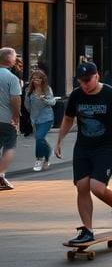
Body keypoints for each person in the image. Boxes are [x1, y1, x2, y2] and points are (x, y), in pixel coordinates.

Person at [54, 61, 112, 244]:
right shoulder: (76, 95)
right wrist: (59, 141)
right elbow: (68, 119)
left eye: (88, 80)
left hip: (106, 147)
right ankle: (87, 230)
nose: (84, 85)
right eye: (81, 81)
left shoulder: (111, 95)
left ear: (97, 76)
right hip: (83, 147)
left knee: (97, 187)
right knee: (81, 186)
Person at [24, 69, 57, 172]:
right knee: (40, 139)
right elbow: (27, 105)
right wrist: (32, 114)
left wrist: (43, 99)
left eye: (38, 78)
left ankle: (39, 159)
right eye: (33, 79)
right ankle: (47, 156)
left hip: (47, 118)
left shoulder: (47, 89)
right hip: (35, 118)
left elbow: (52, 102)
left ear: (43, 79)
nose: (36, 81)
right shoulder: (29, 90)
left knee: (39, 138)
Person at [0, 47, 22, 190]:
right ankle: (0, 174)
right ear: (11, 60)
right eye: (15, 58)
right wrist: (16, 118)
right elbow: (15, 100)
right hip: (5, 119)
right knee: (10, 147)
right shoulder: (12, 78)